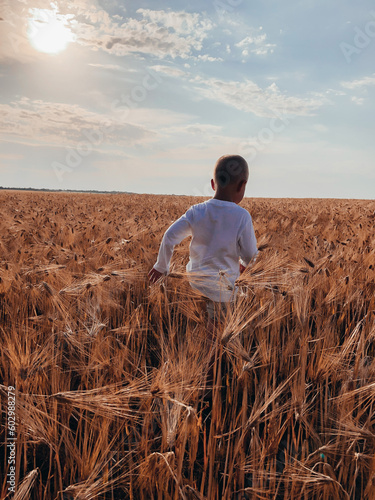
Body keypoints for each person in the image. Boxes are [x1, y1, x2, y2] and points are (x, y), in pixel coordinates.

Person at [148, 154, 258, 323]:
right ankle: (210, 348)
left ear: (213, 184)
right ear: (242, 185)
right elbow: (251, 254)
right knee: (218, 329)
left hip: (195, 282)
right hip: (222, 289)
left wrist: (161, 266)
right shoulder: (241, 216)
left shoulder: (197, 211)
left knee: (199, 323)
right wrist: (243, 265)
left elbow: (170, 236)